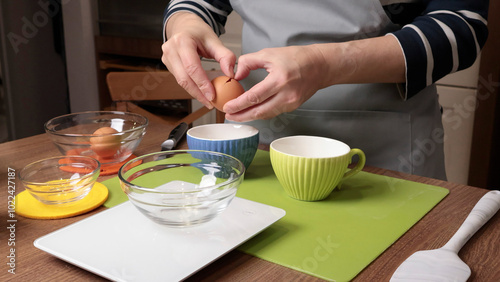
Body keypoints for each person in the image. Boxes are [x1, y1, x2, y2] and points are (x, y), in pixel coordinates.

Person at [161, 0, 489, 180]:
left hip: (387, 155)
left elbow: (462, 27)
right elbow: (197, 2)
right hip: (260, 152)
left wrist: (324, 63)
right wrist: (185, 24)